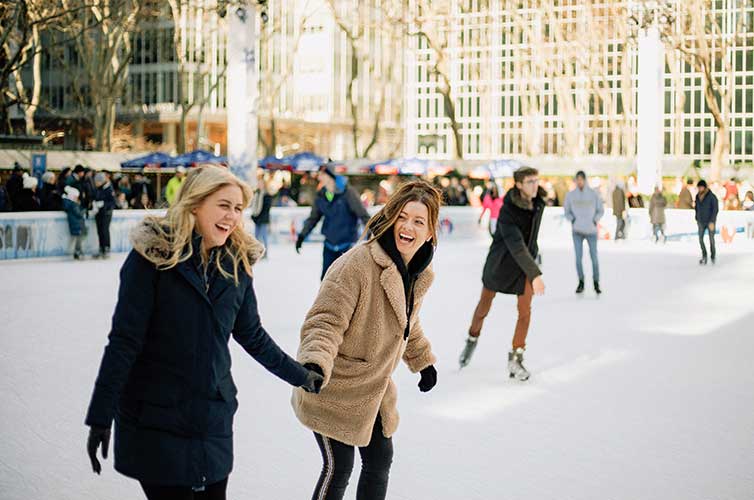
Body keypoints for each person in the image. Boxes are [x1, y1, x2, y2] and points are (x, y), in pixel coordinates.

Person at [84, 166, 323, 500]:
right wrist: (100, 416)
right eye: (224, 205)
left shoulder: (236, 265)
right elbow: (124, 342)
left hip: (212, 418)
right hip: (157, 418)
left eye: (238, 209)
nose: (232, 217)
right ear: (195, 204)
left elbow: (252, 334)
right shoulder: (152, 259)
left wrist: (301, 376)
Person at [293, 180, 440, 500]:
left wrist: (422, 360)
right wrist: (314, 361)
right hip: (333, 384)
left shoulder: (417, 272)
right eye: (403, 217)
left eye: (419, 221)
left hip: (372, 389)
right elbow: (325, 321)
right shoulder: (357, 265)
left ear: (430, 232)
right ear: (390, 218)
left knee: (379, 459)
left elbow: (407, 321)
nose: (408, 227)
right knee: (339, 466)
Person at [458, 167, 546, 379]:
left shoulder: (539, 203)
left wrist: (534, 259)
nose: (535, 185)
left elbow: (530, 240)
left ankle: (516, 358)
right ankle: (472, 339)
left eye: (536, 181)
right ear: (518, 184)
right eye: (530, 182)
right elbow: (516, 245)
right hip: (501, 264)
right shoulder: (507, 211)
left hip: (524, 265)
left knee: (525, 311)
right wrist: (535, 274)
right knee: (483, 308)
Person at [296, 163, 371, 279]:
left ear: (329, 175)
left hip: (347, 246)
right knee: (326, 280)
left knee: (345, 282)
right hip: (329, 245)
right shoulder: (321, 195)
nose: (319, 177)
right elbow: (313, 218)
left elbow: (363, 215)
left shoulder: (348, 193)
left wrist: (371, 232)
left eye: (321, 174)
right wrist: (302, 235)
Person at [564, 170, 604, 294]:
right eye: (578, 180)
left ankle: (596, 282)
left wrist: (594, 220)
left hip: (591, 230)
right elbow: (567, 211)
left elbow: (600, 210)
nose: (580, 182)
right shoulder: (571, 195)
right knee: (578, 258)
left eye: (582, 179)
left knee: (594, 257)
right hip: (577, 231)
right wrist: (573, 220)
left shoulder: (593, 194)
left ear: (585, 180)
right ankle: (581, 281)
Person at [694, 179, 719, 265]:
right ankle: (704, 255)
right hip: (701, 221)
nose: (700, 189)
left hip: (710, 222)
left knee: (711, 239)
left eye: (701, 187)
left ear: (704, 187)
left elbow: (715, 209)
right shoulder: (697, 196)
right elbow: (697, 208)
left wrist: (712, 221)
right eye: (699, 187)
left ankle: (713, 256)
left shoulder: (712, 197)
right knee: (700, 239)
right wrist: (697, 218)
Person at [93, 172, 116, 258]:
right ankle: (101, 248)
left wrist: (103, 204)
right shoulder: (98, 189)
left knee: (104, 230)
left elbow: (112, 202)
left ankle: (106, 248)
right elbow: (95, 197)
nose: (96, 184)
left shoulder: (109, 189)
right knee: (99, 231)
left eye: (97, 182)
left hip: (106, 213)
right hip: (98, 213)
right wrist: (94, 204)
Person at [251, 178, 273, 258]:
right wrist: (254, 216)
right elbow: (254, 206)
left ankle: (265, 253)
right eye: (258, 183)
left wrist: (260, 216)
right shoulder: (256, 194)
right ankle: (257, 252)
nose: (259, 185)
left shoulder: (267, 195)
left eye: (261, 183)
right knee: (256, 237)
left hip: (263, 219)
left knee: (264, 237)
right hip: (257, 218)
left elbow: (267, 209)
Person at [62, 186, 87, 260]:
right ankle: (78, 251)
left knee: (79, 238)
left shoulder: (70, 204)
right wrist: (84, 210)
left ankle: (79, 251)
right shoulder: (73, 205)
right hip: (77, 224)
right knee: (79, 239)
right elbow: (78, 214)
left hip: (76, 224)